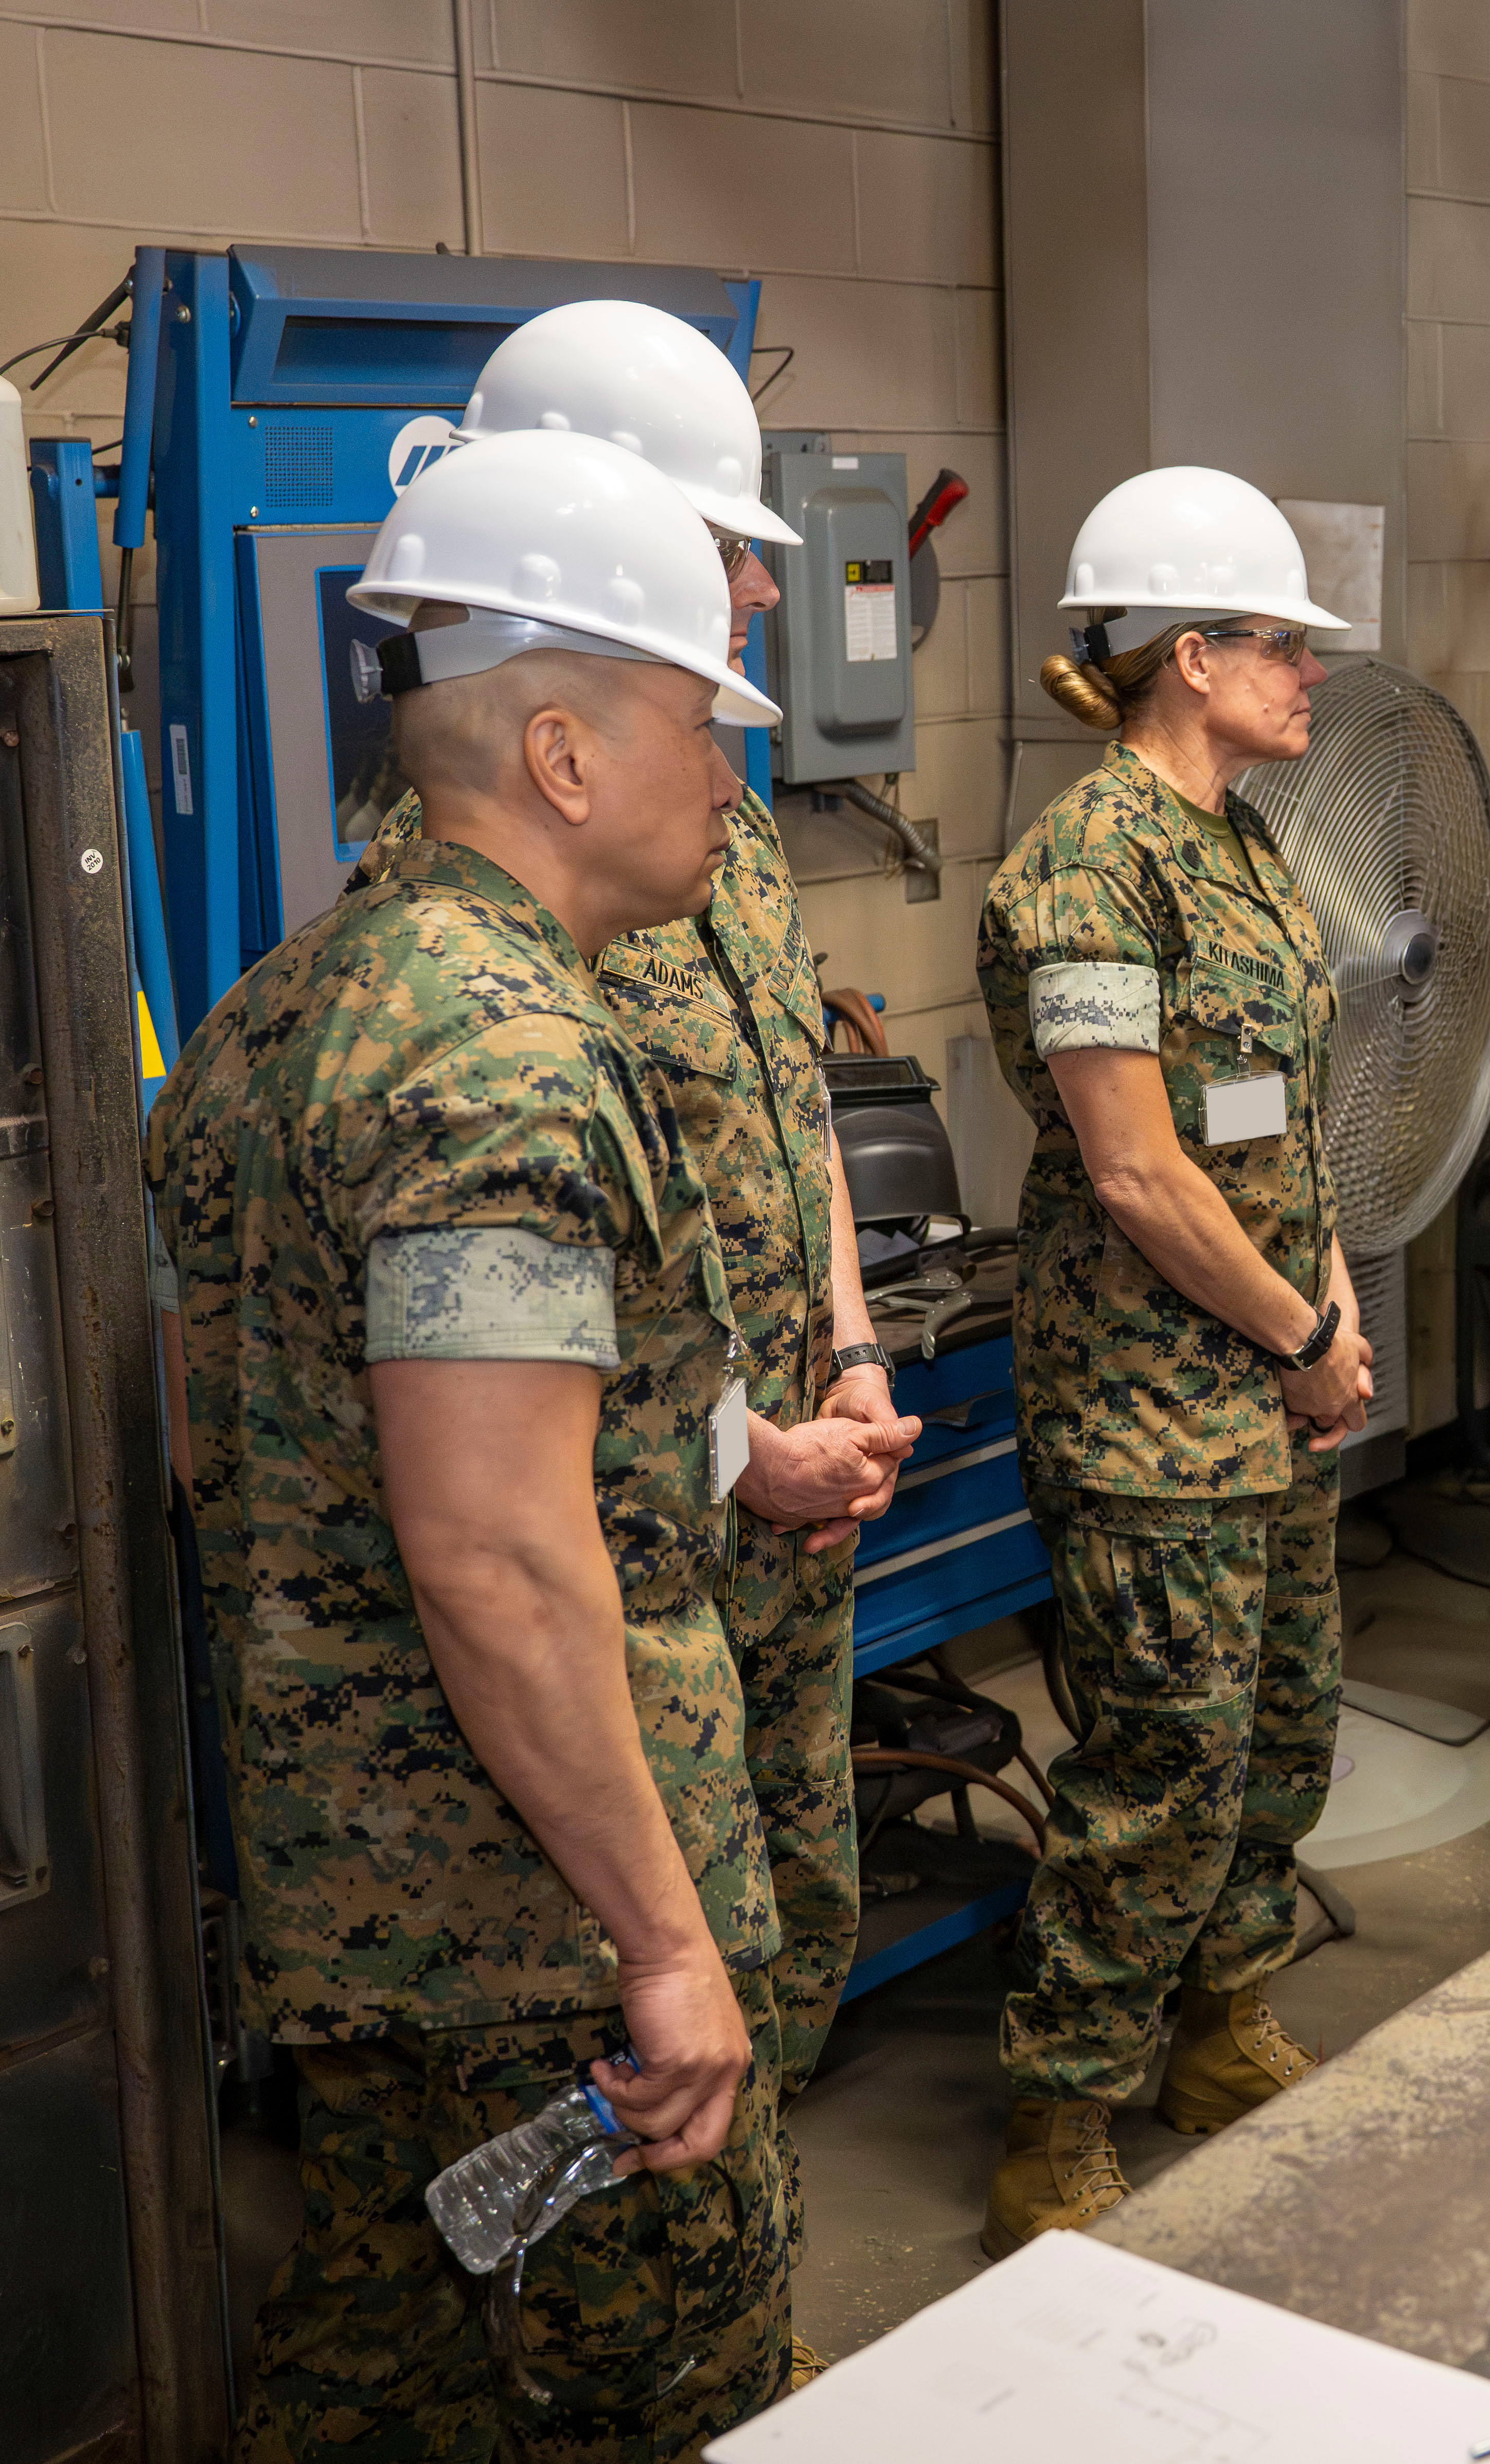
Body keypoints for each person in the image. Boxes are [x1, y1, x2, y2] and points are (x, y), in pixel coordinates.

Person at [154, 428, 796, 2452]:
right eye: (702, 723)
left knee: (403, 2339)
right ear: (566, 755)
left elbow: (211, 1440)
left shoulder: (287, 1006)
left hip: (368, 1895)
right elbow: (496, 1557)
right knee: (649, 2374)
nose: (733, 778)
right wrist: (664, 1942)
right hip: (524, 1932)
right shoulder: (496, 1055)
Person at [338, 306, 918, 2291]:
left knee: (781, 1946)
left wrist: (844, 1356)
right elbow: (495, 1503)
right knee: (652, 2012)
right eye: (713, 547)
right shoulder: (472, 946)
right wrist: (739, 1443)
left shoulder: (717, 828)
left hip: (761, 1506)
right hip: (634, 1544)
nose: (759, 586)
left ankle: (728, 2272)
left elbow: (792, 1111)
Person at [976, 469, 1370, 2254]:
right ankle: (1055, 2113)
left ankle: (1215, 2030)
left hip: (1277, 1378)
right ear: (1188, 656)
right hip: (1152, 1403)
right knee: (1157, 1770)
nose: (1309, 675)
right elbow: (1135, 1168)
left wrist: (1336, 1302)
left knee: (1277, 1741)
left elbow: (1280, 1122)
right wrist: (1293, 1331)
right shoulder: (1081, 874)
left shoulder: (1244, 846)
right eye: (1282, 646)